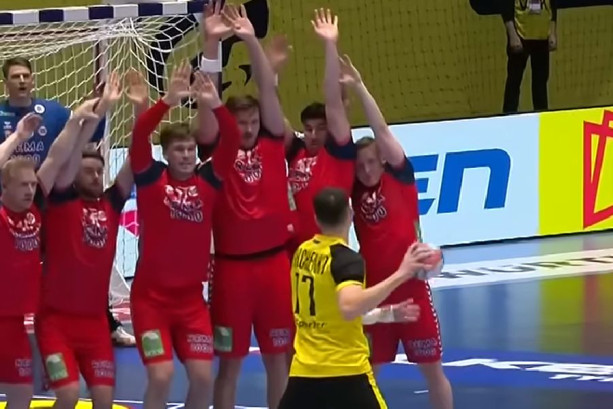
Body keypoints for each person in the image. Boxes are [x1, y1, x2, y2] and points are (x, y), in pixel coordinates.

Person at [338, 55, 454, 409]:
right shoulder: (353, 190)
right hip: (376, 293)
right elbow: (338, 140)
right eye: (360, 165)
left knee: (433, 372)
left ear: (383, 160)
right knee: (368, 374)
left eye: (372, 161)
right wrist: (340, 100)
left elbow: (382, 130)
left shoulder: (401, 175)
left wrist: (359, 87)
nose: (366, 169)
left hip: (413, 291)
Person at [196, 3, 294, 409]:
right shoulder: (217, 150)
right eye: (242, 123)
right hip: (231, 272)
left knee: (280, 360)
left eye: (253, 121)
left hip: (274, 267)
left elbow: (267, 89)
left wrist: (251, 39)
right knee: (230, 365)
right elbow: (208, 99)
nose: (250, 127)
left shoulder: (272, 141)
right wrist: (211, 43)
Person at [0, 56, 135, 346]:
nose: (22, 81)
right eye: (15, 76)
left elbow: (70, 147)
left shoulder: (52, 112)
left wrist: (98, 108)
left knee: (80, 255)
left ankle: (102, 320)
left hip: (45, 198)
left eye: (26, 75)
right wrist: (18, 137)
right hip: (8, 203)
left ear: (33, 79)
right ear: (5, 82)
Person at [128, 60, 240, 409]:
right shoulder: (150, 178)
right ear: (166, 154)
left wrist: (216, 105)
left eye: (191, 149)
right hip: (150, 303)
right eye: (179, 150)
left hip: (192, 303)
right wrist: (167, 101)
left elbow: (232, 139)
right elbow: (139, 135)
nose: (187, 155)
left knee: (204, 378)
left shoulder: (208, 180)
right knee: (161, 376)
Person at [278, 187, 433, 409]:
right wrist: (402, 273)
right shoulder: (346, 260)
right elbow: (349, 307)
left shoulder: (302, 253)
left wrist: (387, 314)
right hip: (346, 371)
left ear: (316, 218)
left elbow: (331, 313)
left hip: (304, 372)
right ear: (350, 215)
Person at [34, 72, 132, 409]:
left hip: (95, 325)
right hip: (56, 323)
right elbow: (67, 156)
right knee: (68, 395)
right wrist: (93, 115)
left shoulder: (112, 203)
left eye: (99, 171)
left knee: (104, 399)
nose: (95, 175)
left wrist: (142, 111)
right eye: (88, 171)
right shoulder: (60, 201)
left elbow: (135, 161)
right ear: (74, 175)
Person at [0, 98, 101, 409]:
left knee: (22, 395)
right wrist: (18, 137)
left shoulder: (35, 208)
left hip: (17, 322)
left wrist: (74, 121)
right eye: (23, 185)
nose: (30, 190)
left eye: (32, 184)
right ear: (5, 187)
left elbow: (56, 157)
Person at [285, 9, 357, 257]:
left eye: (321, 128)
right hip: (296, 255)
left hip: (330, 255)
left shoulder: (339, 153)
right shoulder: (295, 152)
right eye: (308, 129)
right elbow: (273, 115)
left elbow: (334, 102)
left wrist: (330, 45)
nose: (313, 135)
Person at [501, 0, 558, 113]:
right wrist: (512, 34)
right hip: (520, 36)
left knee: (540, 85)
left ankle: (541, 116)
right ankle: (508, 117)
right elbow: (505, 6)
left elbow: (552, 6)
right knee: (514, 82)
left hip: (542, 37)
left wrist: (552, 33)